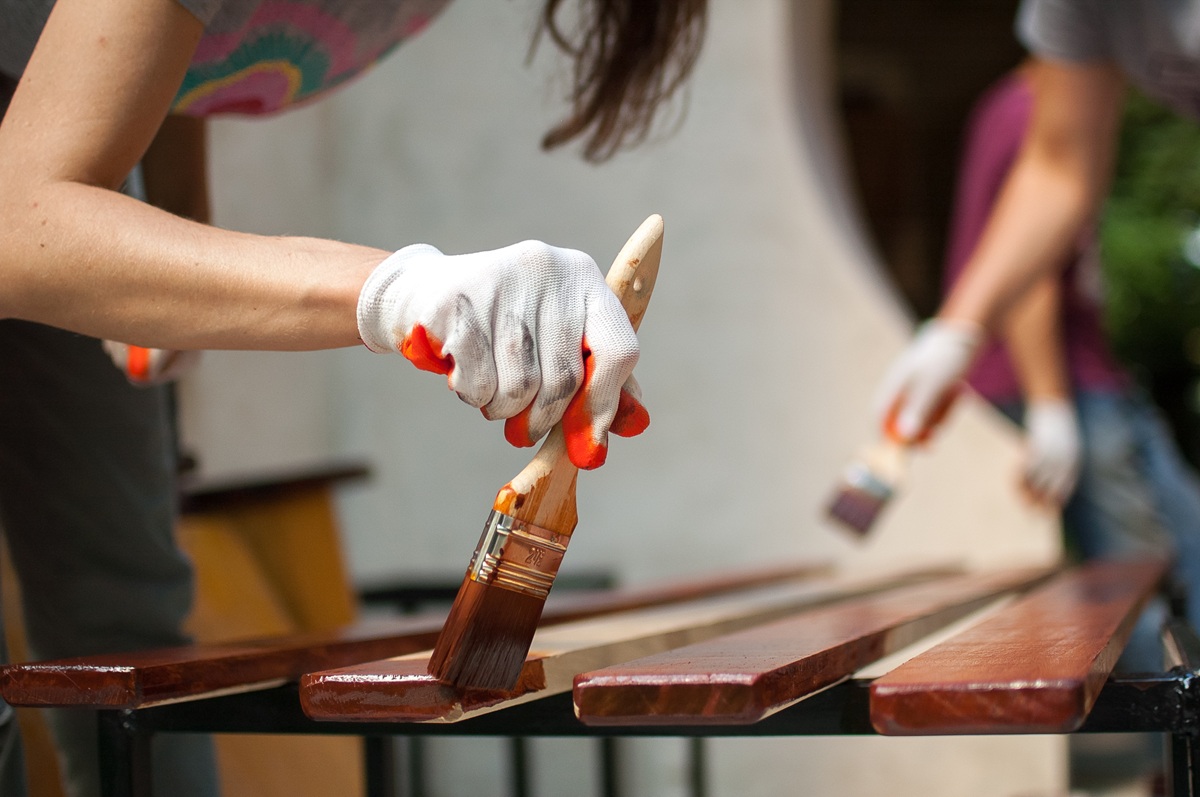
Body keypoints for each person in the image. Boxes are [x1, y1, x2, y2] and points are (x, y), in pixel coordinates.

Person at [0, 1, 707, 795]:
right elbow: (16, 228)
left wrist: (174, 211)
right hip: (28, 188)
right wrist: (398, 291)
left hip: (51, 143)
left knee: (121, 628)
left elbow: (159, 43)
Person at [875, 2, 1200, 625]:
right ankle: (1152, 712)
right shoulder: (1024, 109)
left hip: (1090, 380)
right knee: (1134, 571)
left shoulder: (1011, 104)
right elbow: (1035, 273)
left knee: (1173, 541)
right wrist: (962, 339)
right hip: (1068, 384)